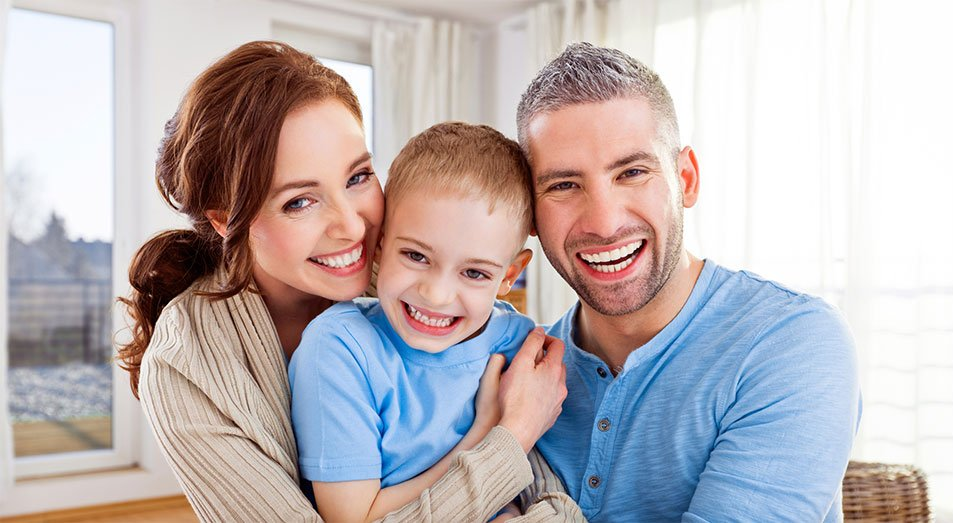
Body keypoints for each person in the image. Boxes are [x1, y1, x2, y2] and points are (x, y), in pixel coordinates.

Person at [117, 41, 567, 522]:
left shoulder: (415, 289)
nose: (352, 227)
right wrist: (502, 440)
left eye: (357, 177)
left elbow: (554, 503)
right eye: (299, 202)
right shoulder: (188, 367)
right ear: (228, 221)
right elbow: (516, 443)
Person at [514, 42, 862, 521]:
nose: (604, 222)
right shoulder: (518, 377)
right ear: (530, 212)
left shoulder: (792, 340)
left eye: (632, 172)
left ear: (686, 179)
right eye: (564, 185)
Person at [289, 122, 572, 523]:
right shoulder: (341, 348)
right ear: (381, 243)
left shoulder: (521, 345)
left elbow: (548, 490)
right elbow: (354, 519)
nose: (437, 295)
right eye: (416, 256)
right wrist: (488, 433)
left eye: (475, 273)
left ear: (509, 276)